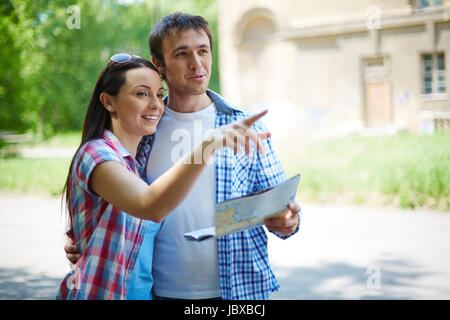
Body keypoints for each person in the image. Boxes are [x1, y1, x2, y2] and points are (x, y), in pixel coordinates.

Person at [66, 12, 301, 300]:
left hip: (238, 292)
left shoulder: (244, 125)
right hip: (159, 291)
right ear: (159, 64)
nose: (197, 63)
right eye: (182, 53)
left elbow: (280, 206)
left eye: (203, 50)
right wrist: (86, 244)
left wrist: (288, 220)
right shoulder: (142, 128)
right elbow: (126, 207)